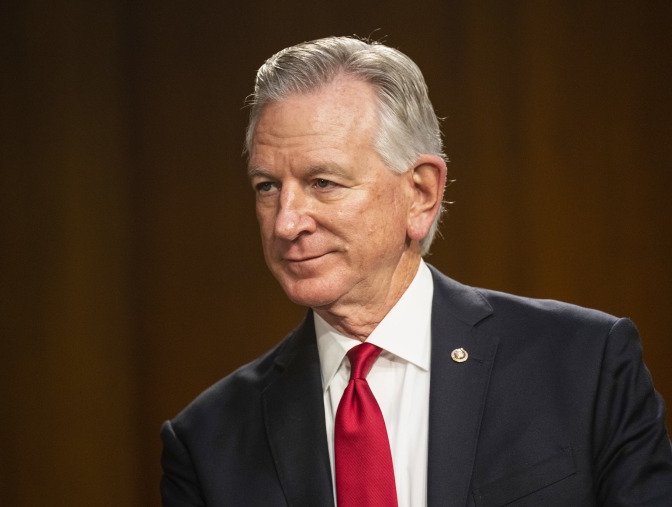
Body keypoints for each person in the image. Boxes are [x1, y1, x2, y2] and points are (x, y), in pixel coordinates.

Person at [160, 36, 672, 506]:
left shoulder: (585, 364)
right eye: (267, 186)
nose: (287, 222)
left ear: (421, 193)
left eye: (323, 182)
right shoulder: (208, 442)